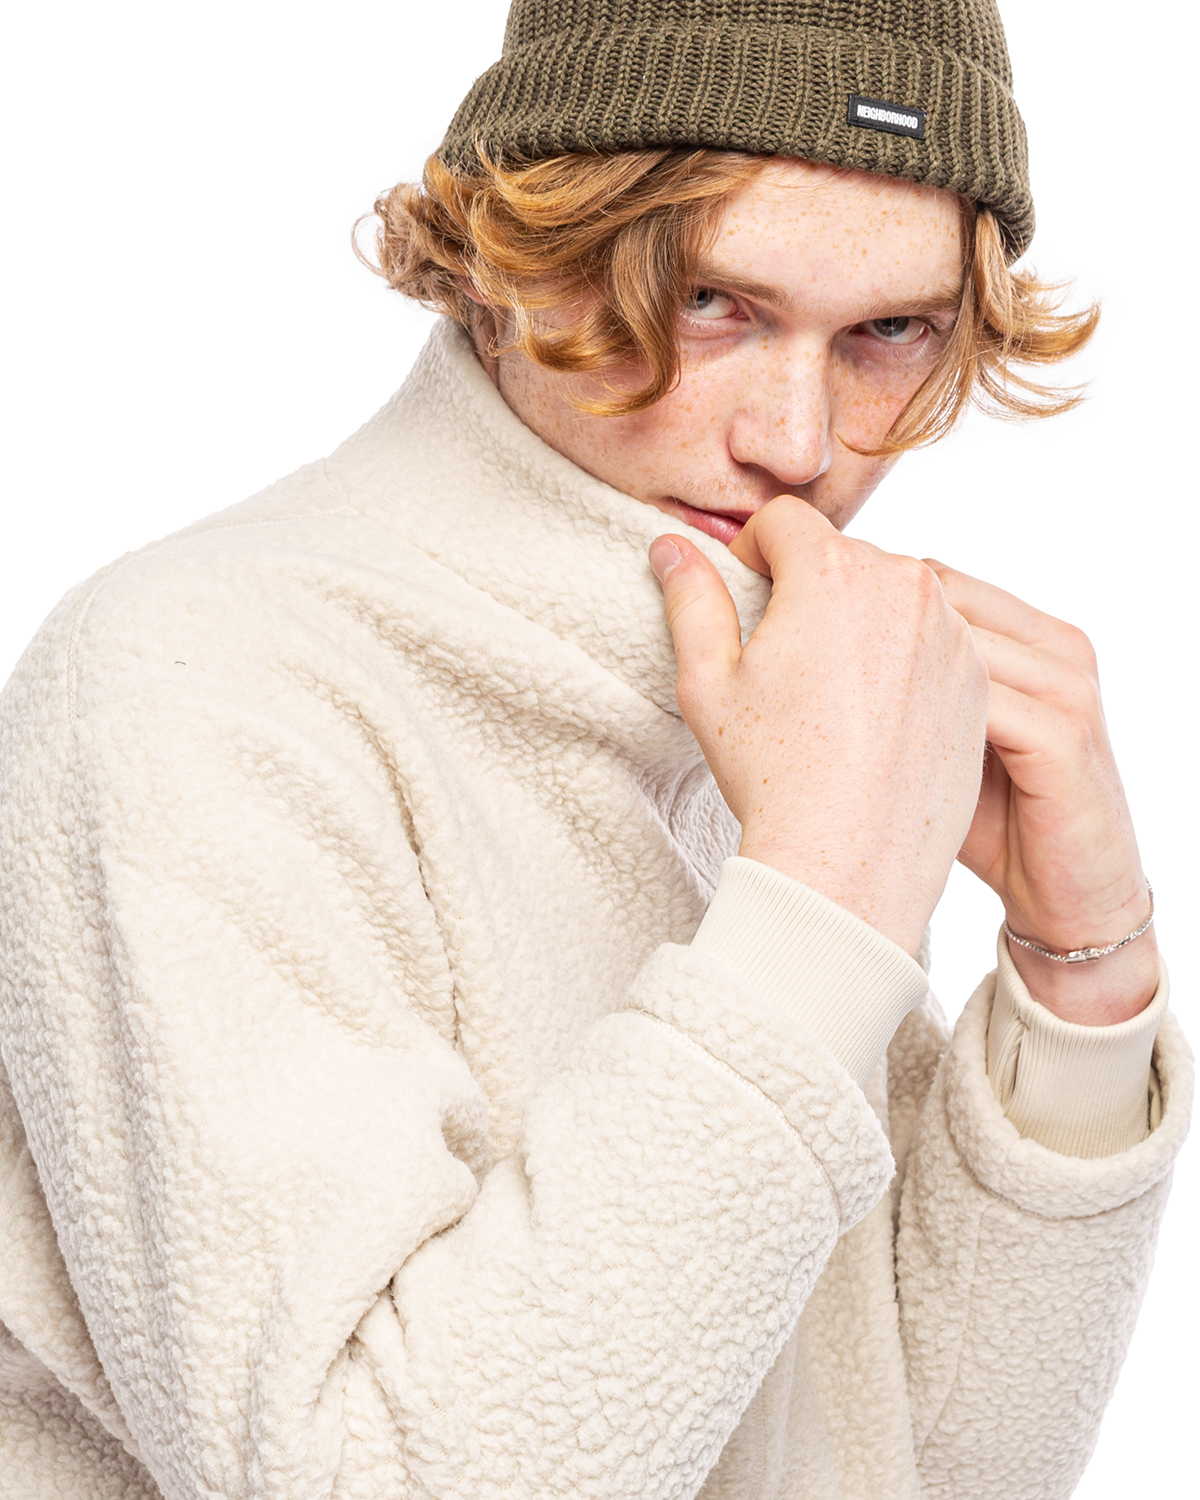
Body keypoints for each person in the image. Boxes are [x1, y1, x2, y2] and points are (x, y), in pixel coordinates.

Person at [0, 0, 1190, 1496]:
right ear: (509, 255)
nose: (799, 444)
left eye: (890, 332)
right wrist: (818, 904)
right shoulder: (199, 685)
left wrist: (1082, 979)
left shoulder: (768, 710)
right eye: (710, 302)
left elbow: (909, 1468)